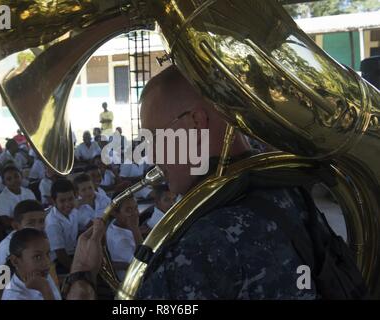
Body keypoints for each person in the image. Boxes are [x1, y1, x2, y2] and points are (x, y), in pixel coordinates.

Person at [66, 65, 320, 300]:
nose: (152, 155)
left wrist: (82, 277)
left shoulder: (202, 242)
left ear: (195, 123)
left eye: (154, 138)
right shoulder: (286, 189)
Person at [0, 200, 46, 283]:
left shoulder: (38, 238)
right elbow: (4, 284)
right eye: (31, 223)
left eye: (42, 221)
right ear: (16, 226)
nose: (38, 227)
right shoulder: (9, 247)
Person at [2, 228, 61, 300]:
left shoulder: (41, 275)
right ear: (15, 261)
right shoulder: (13, 297)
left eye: (47, 254)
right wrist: (45, 289)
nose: (47, 263)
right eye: (37, 257)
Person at [45, 179, 88, 273]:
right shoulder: (52, 222)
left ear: (75, 196)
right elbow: (60, 255)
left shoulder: (74, 212)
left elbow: (90, 224)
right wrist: (78, 270)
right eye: (62, 201)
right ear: (53, 201)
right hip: (60, 262)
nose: (68, 204)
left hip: (74, 253)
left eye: (70, 199)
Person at [106, 195, 142, 281]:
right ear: (115, 213)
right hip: (133, 281)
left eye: (136, 208)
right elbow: (142, 262)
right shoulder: (121, 240)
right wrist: (135, 229)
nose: (136, 213)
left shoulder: (115, 223)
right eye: (128, 210)